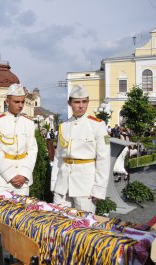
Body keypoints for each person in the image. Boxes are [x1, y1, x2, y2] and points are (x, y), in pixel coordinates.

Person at [51, 85, 110, 213]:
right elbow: (58, 158)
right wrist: (54, 183)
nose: (81, 105)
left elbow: (103, 159)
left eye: (84, 102)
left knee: (84, 226)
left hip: (85, 186)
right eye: (77, 102)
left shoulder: (97, 125)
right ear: (70, 103)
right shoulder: (63, 126)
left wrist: (99, 189)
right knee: (59, 223)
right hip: (62, 184)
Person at [0, 83, 38, 198]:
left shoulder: (29, 123)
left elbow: (32, 150)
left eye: (22, 102)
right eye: (16, 102)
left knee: (21, 214)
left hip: (23, 180)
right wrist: (10, 175)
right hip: (2, 180)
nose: (20, 105)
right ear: (7, 101)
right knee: (0, 214)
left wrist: (24, 174)